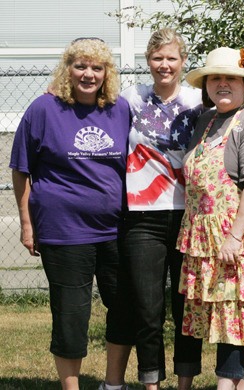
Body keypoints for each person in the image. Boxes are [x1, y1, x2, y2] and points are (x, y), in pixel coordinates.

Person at [9, 37, 130, 390]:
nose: (88, 74)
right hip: (64, 231)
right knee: (71, 315)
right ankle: (71, 386)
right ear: (68, 69)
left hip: (116, 229)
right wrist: (26, 223)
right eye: (80, 65)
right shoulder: (43, 109)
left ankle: (113, 383)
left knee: (125, 308)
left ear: (107, 73)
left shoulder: (119, 109)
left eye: (97, 67)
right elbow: (20, 169)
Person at [105, 28, 204, 390]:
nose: (165, 65)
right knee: (148, 311)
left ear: (183, 62)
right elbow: (93, 105)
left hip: (188, 217)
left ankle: (184, 384)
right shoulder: (132, 98)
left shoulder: (198, 100)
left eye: (172, 58)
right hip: (142, 218)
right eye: (158, 58)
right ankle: (151, 384)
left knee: (185, 309)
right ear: (148, 61)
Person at [178, 46, 244, 390]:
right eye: (216, 78)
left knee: (236, 317)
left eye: (231, 78)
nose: (223, 84)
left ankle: (227, 384)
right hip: (210, 238)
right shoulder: (207, 120)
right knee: (230, 320)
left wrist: (234, 237)